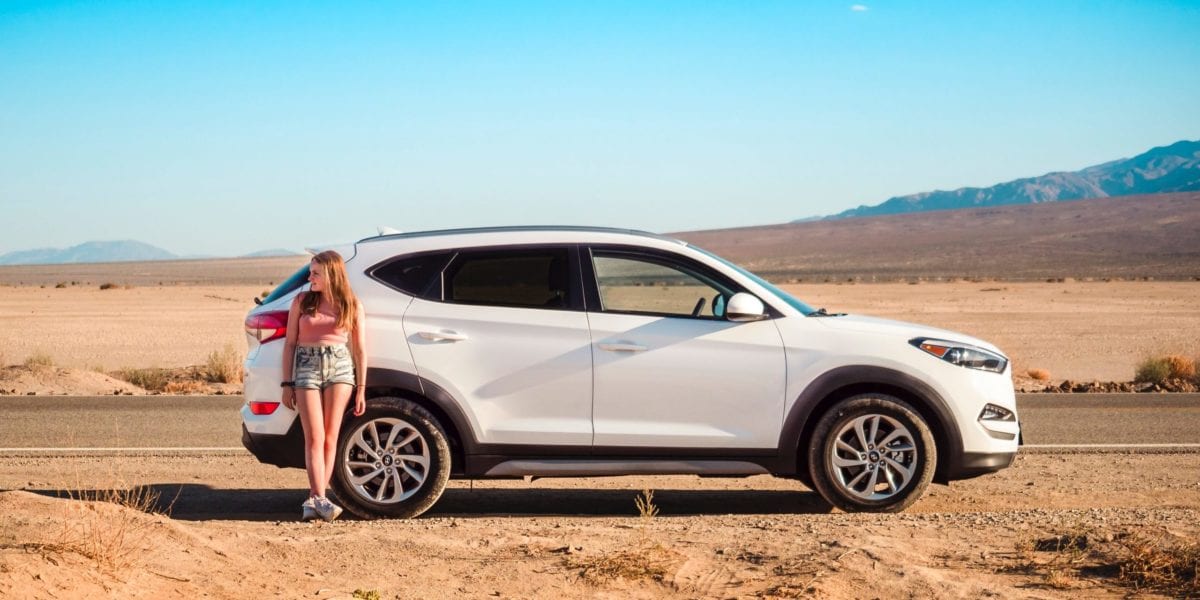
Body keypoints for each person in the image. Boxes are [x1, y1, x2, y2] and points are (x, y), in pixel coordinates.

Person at [279, 250, 367, 521]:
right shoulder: (302, 301)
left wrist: (361, 387)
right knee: (314, 437)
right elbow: (290, 343)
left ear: (331, 274)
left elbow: (360, 350)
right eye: (311, 272)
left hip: (340, 367)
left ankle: (316, 500)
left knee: (331, 437)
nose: (310, 277)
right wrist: (287, 383)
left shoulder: (351, 304)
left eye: (315, 273)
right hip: (306, 366)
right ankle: (319, 498)